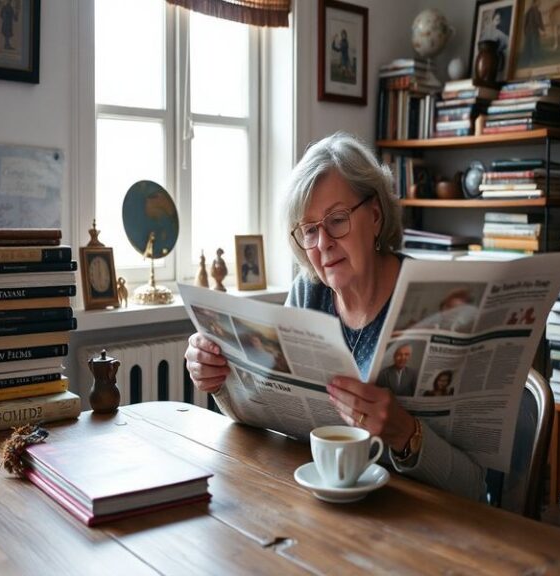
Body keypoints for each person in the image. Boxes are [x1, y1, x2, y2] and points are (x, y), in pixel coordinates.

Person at [184, 132, 486, 501]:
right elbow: (277, 417)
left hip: (422, 521)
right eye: (310, 230)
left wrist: (405, 433)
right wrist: (217, 379)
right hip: (328, 513)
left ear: (374, 216)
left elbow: (473, 487)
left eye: (337, 220)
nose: (324, 243)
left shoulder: (439, 306)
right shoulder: (308, 292)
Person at [522, 0, 545, 67]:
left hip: (528, 32)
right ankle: (536, 61)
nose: (539, 3)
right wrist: (543, 30)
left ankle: (527, 62)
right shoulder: (536, 11)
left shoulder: (528, 11)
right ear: (534, 3)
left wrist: (525, 32)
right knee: (535, 46)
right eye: (538, 2)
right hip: (534, 31)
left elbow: (525, 23)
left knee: (528, 47)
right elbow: (538, 21)